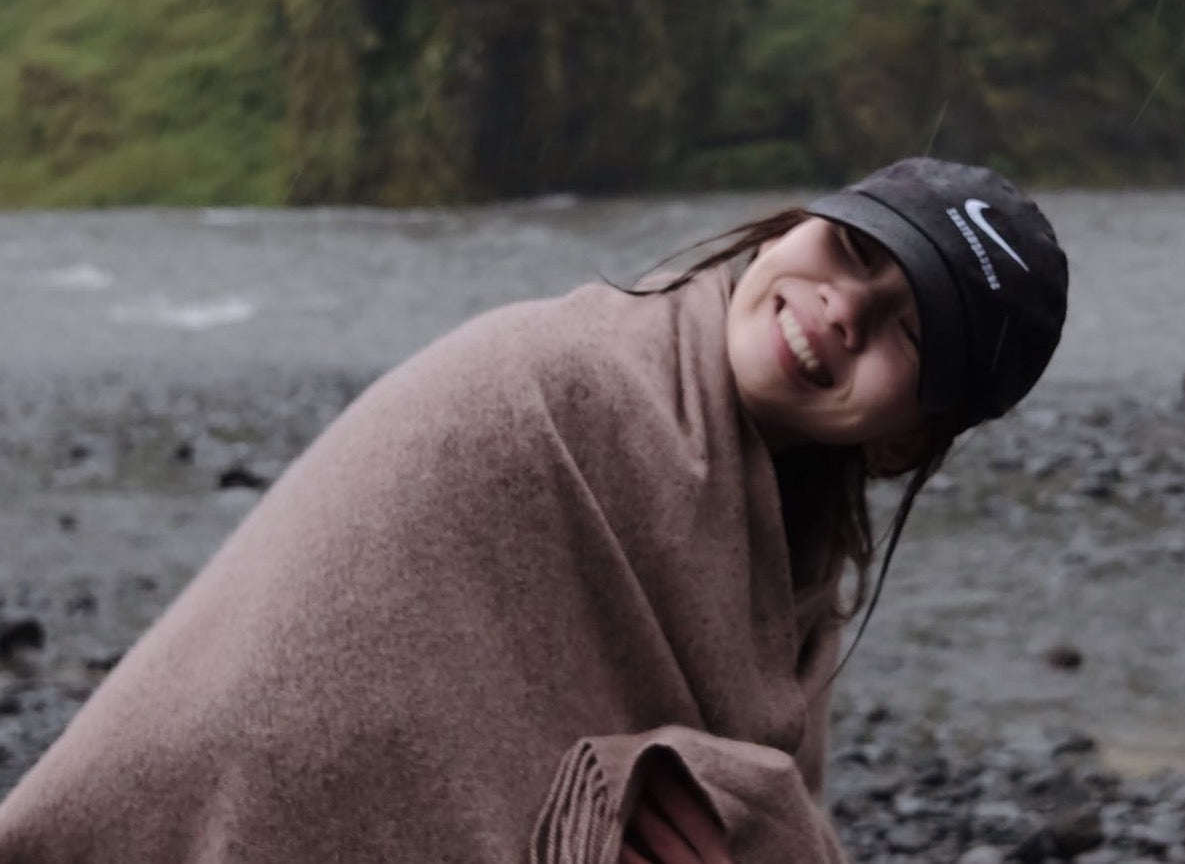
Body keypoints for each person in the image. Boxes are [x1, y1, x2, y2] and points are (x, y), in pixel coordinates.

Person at [0, 157, 1069, 863]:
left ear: (908, 439)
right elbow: (301, 724)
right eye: (854, 249)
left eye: (905, 331)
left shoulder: (800, 570)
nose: (842, 309)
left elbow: (758, 801)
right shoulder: (549, 382)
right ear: (790, 228)